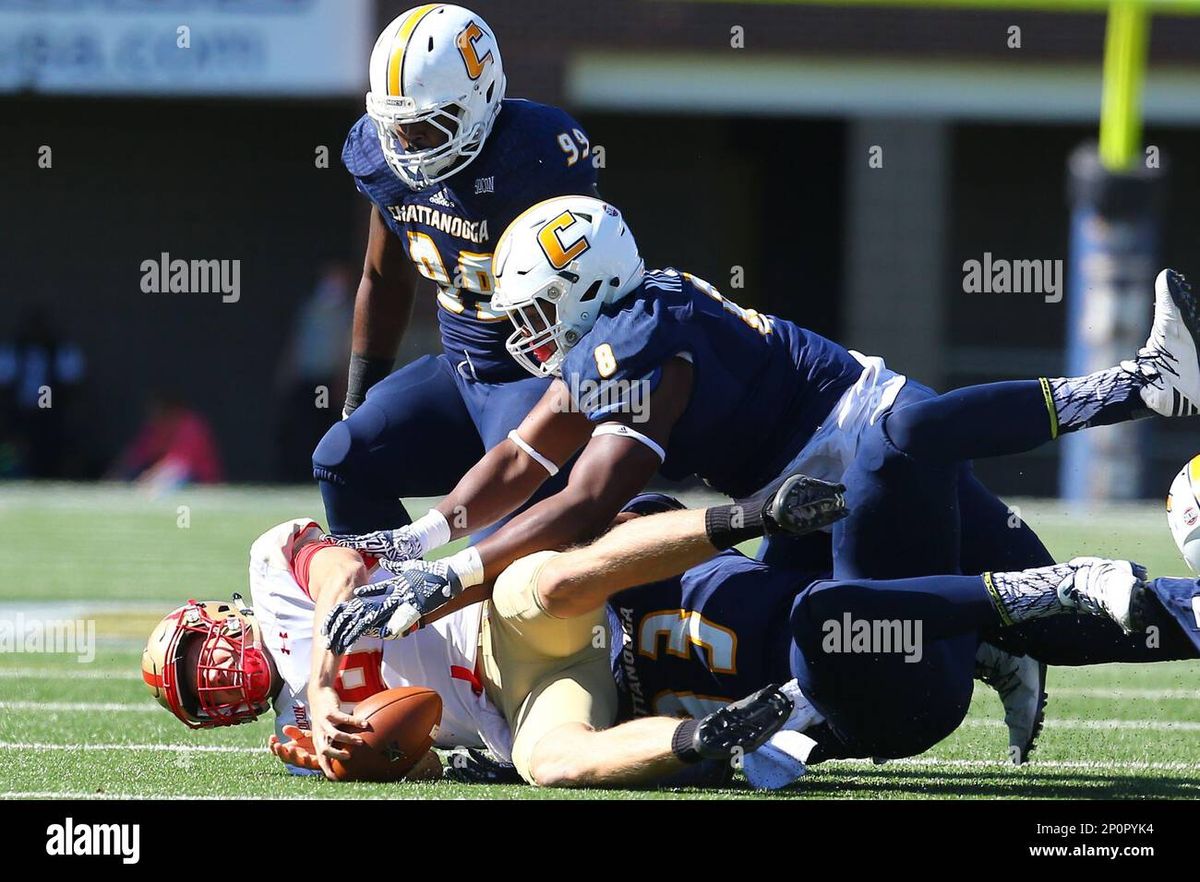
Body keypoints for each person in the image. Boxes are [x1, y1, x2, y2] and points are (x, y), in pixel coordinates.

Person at [142, 474, 837, 787]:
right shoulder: (295, 732)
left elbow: (343, 575)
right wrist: (367, 762)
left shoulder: (271, 569)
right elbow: (428, 763)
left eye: (199, 654)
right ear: (217, 720)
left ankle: (756, 515)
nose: (213, 676)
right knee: (553, 764)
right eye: (197, 692)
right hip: (522, 703)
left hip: (493, 612)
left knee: (554, 583)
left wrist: (323, 686)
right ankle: (709, 742)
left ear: (219, 618)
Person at [311, 4, 601, 557]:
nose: (408, 145)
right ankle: (387, 628)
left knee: (504, 556)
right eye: (396, 127)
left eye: (425, 127)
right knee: (342, 457)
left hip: (538, 385)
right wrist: (357, 396)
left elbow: (594, 288)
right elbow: (384, 273)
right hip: (461, 376)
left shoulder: (534, 157)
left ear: (478, 101)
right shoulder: (382, 159)